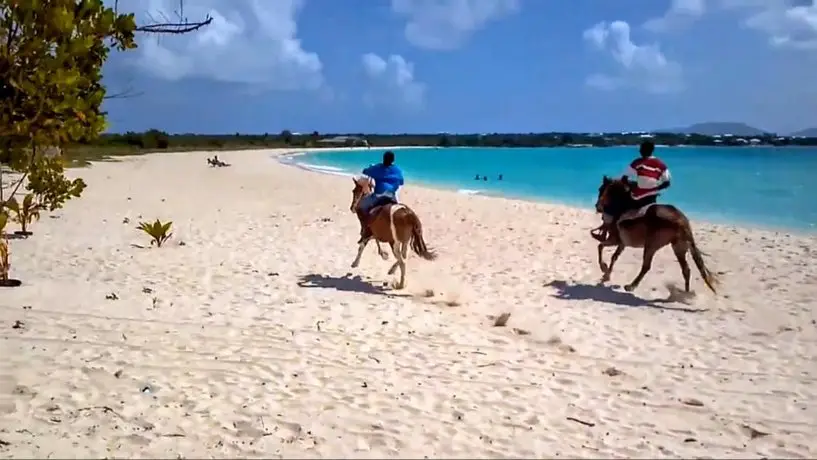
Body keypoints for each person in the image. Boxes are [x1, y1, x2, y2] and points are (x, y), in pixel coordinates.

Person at [597, 140, 672, 242]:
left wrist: (631, 186)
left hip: (638, 197)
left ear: (641, 150)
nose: (640, 151)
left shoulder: (637, 162)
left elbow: (624, 179)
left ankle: (610, 234)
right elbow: (667, 183)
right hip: (652, 197)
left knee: (615, 206)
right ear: (652, 151)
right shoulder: (661, 165)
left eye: (641, 149)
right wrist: (654, 189)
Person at [358, 150, 404, 216]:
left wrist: (371, 167)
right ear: (393, 160)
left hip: (378, 196)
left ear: (383, 159)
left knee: (362, 207)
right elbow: (401, 182)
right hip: (391, 196)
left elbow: (365, 171)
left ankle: (366, 226)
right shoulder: (397, 170)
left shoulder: (378, 167)